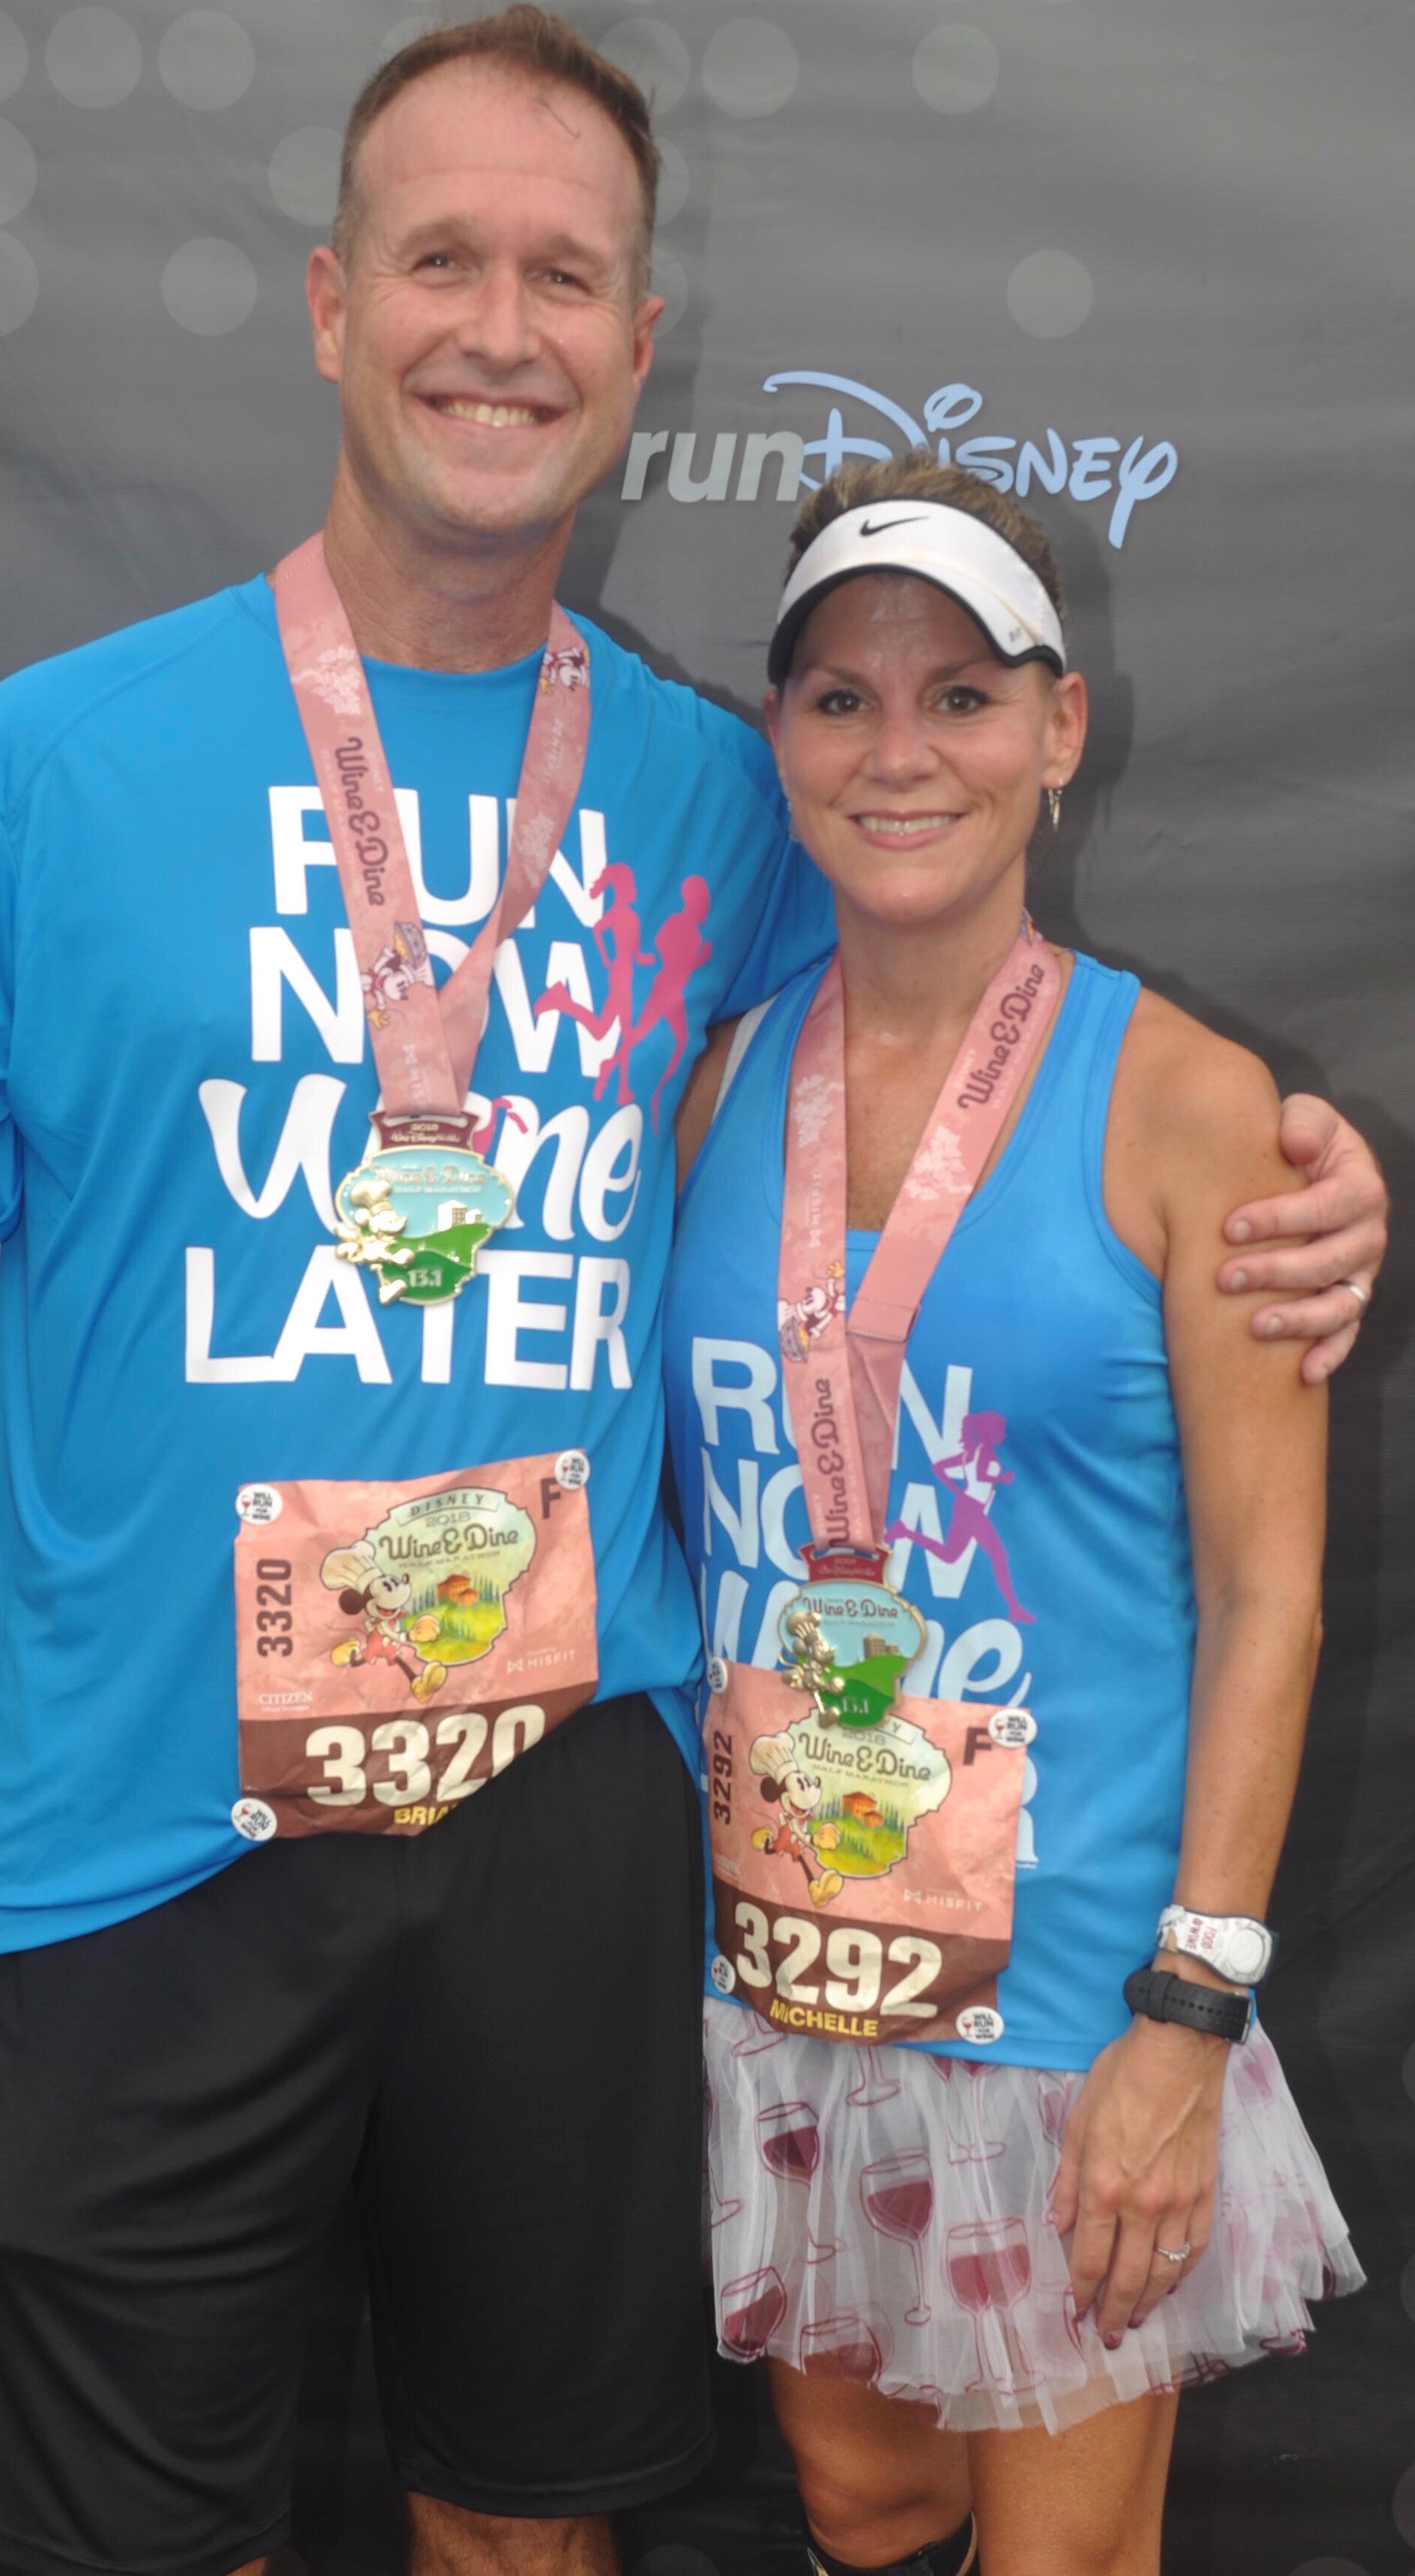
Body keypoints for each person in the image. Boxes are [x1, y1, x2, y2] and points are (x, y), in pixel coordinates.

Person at [0, 7, 1381, 2576]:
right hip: (145, 1828)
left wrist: (1294, 1184)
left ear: (640, 348)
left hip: (568, 1826)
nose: (496, 331)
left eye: (562, 279)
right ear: (333, 303)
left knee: (531, 2521)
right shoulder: (38, 767)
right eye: (441, 261)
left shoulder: (725, 796)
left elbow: (966, 1051)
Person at [664, 450, 1364, 2576]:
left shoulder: (1188, 1106)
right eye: (843, 698)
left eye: (961, 696)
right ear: (780, 735)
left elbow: (1269, 1597)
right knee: (861, 2499)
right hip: (787, 1968)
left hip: (1073, 2008)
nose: (901, 752)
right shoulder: (714, 1083)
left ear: (1060, 729)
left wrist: (1189, 2008)